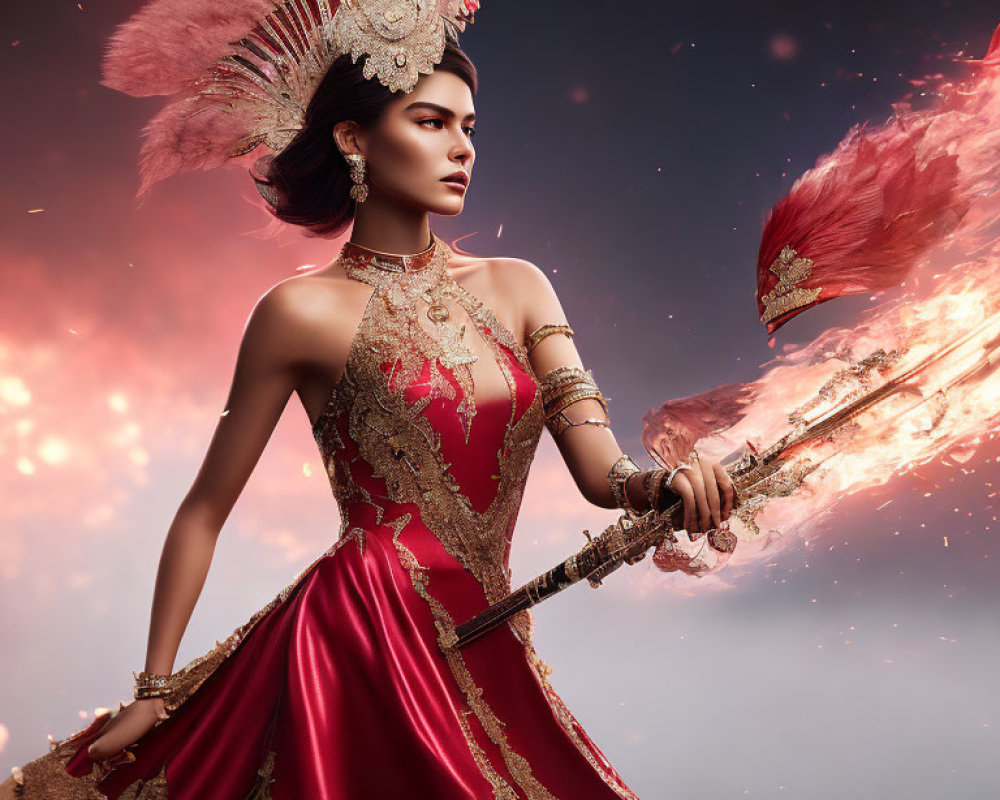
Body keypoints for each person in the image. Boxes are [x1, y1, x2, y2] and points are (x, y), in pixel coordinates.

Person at [2, 2, 734, 798]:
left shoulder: (520, 288)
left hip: (481, 631)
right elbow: (206, 509)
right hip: (352, 636)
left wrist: (661, 487)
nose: (461, 148)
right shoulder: (299, 312)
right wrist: (154, 689)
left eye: (469, 127)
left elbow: (603, 471)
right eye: (430, 122)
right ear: (353, 138)